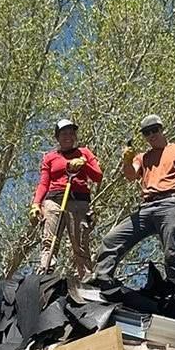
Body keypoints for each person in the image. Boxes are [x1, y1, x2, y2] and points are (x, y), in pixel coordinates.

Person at [93, 113, 175, 292]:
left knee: (172, 251)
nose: (151, 135)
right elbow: (130, 175)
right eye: (146, 132)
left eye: (154, 130)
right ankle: (102, 278)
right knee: (112, 239)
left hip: (171, 203)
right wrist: (127, 160)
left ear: (162, 129)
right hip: (146, 207)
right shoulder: (142, 157)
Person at [30, 118, 102, 275]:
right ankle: (45, 273)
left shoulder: (84, 153)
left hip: (78, 201)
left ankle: (85, 277)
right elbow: (43, 183)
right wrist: (36, 204)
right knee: (50, 240)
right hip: (54, 200)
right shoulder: (50, 157)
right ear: (57, 137)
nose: (68, 136)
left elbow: (98, 176)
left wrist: (84, 165)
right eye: (64, 133)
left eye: (71, 133)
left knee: (79, 243)